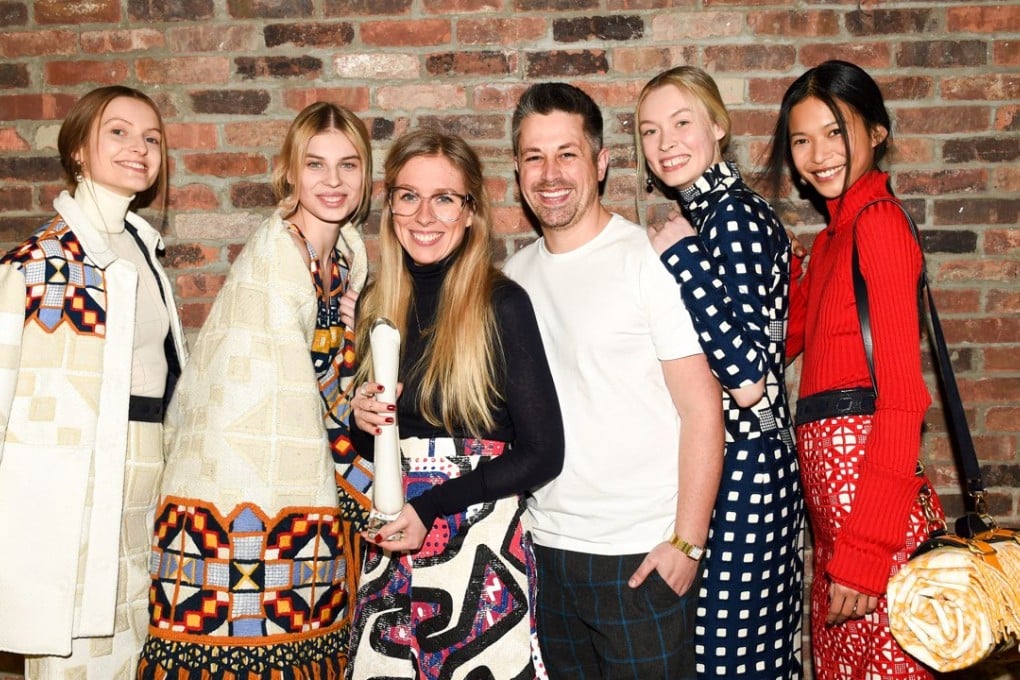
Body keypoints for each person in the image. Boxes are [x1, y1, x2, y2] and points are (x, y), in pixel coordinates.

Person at [136, 101, 373, 678]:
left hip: (304, 484)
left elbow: (325, 378)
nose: (334, 181)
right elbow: (277, 398)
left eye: (349, 165)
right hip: (245, 490)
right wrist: (365, 485)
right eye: (316, 165)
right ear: (290, 172)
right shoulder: (276, 256)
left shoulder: (343, 256)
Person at [503, 82, 724, 679]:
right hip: (544, 555)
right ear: (518, 169)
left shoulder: (647, 261)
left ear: (599, 163)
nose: (550, 173)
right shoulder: (510, 278)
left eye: (567, 154)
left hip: (639, 559)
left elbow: (703, 410)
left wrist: (686, 545)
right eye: (534, 157)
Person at [348, 128, 564, 679]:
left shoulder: (502, 303)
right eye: (409, 196)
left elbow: (544, 453)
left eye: (444, 198)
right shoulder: (376, 302)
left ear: (470, 212)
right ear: (390, 205)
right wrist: (359, 419)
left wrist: (432, 507)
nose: (425, 215)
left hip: (479, 551)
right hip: (393, 540)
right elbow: (369, 447)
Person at [762, 60, 946, 680]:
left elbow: (901, 400)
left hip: (872, 518)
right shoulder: (832, 238)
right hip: (835, 517)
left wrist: (866, 553)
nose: (818, 155)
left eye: (835, 132)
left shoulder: (880, 225)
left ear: (877, 132)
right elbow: (784, 340)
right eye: (802, 139)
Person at [0, 85, 187, 678]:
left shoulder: (141, 248)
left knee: (136, 645)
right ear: (78, 148)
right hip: (78, 490)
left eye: (152, 138)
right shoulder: (39, 264)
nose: (140, 147)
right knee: (77, 653)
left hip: (150, 475)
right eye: (119, 131)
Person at [634, 66, 805, 679]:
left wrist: (680, 257)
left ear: (717, 128)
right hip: (746, 464)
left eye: (682, 123)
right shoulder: (714, 214)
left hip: (748, 468)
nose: (665, 142)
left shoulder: (728, 216)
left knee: (733, 663)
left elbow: (750, 374)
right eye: (650, 131)